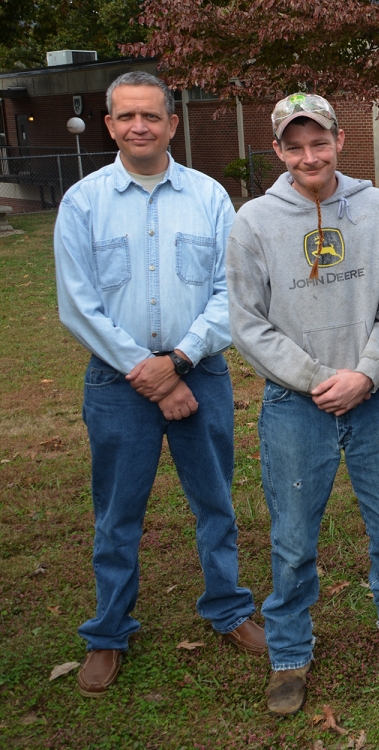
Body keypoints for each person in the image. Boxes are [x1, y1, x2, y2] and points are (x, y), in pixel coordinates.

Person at [54, 71, 265, 697]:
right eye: (125, 117)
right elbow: (77, 303)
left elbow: (235, 293)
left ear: (173, 123)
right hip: (116, 382)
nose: (138, 126)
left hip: (202, 373)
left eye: (151, 116)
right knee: (117, 514)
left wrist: (178, 360)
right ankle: (108, 631)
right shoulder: (83, 202)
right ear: (109, 123)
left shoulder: (210, 198)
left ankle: (228, 609)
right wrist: (146, 371)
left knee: (215, 503)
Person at [226, 93, 379, 715]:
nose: (309, 156)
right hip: (294, 405)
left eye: (320, 142)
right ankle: (288, 654)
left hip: (374, 397)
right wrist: (315, 378)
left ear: (340, 140)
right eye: (294, 145)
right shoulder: (254, 222)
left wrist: (365, 376)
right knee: (291, 537)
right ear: (279, 150)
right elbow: (248, 324)